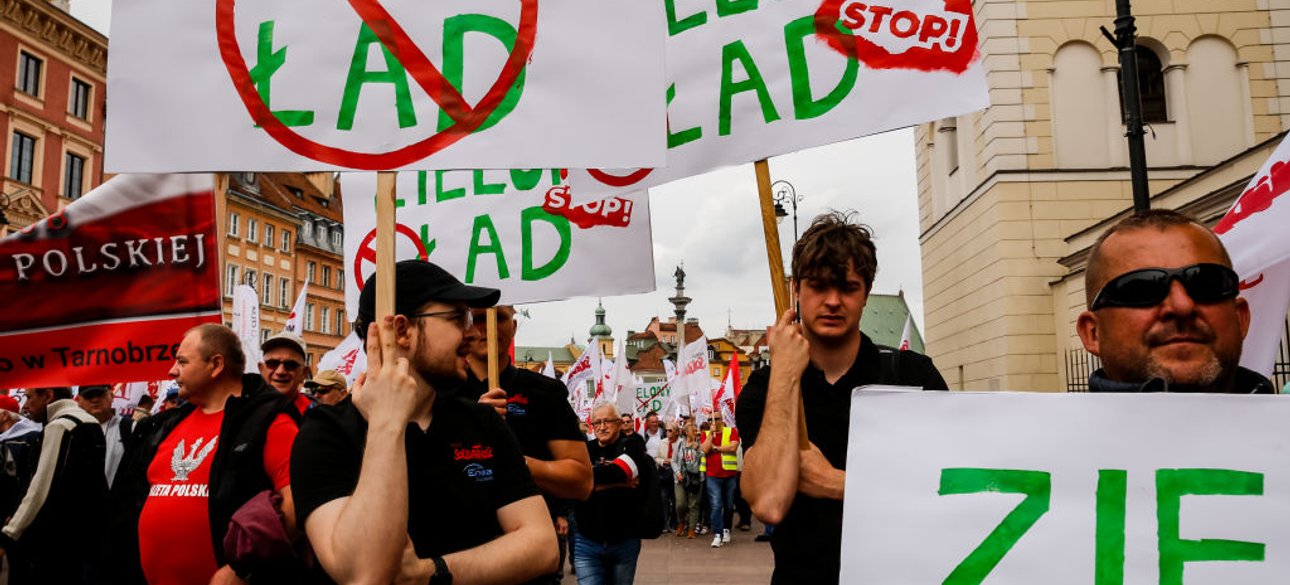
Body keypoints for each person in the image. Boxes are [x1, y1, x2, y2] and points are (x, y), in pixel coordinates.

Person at [290, 260, 557, 585]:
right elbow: (363, 573)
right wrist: (387, 422)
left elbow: (543, 547)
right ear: (402, 330)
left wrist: (432, 572)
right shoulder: (326, 431)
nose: (472, 332)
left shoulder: (482, 420)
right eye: (458, 317)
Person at [738, 211, 949, 584]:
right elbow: (768, 502)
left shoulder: (912, 377)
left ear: (866, 292)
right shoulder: (764, 387)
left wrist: (837, 483)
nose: (833, 301)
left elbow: (944, 492)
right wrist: (786, 372)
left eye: (848, 287)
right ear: (796, 290)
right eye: (819, 286)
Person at [115, 323, 302, 585]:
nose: (172, 371)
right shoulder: (165, 425)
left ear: (215, 365)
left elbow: (297, 501)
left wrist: (241, 569)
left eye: (182, 361)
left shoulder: (269, 421)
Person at [457, 304, 593, 585]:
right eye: (478, 318)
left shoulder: (544, 392)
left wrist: (514, 460)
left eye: (499, 318)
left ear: (514, 327)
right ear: (462, 328)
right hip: (458, 554)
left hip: (529, 562)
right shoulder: (437, 392)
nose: (487, 327)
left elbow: (581, 481)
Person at [1076, 209, 1273, 394]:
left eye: (1205, 283)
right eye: (1142, 288)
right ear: (1093, 333)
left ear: (1241, 319)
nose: (1182, 306)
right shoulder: (1056, 431)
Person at [0, 387, 108, 584]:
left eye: (29, 397)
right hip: (86, 536)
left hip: (58, 542)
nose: (25, 405)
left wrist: (10, 532)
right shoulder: (90, 422)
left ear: (48, 396)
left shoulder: (59, 426)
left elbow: (40, 487)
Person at [572, 403, 651, 585]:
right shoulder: (584, 449)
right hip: (587, 541)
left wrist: (587, 480)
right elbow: (572, 484)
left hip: (624, 541)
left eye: (607, 421)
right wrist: (617, 484)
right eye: (597, 422)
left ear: (618, 423)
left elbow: (619, 472)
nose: (602, 426)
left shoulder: (633, 444)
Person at [75, 385, 132, 487]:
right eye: (89, 396)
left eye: (100, 394)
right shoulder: (72, 432)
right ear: (78, 401)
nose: (95, 399)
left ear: (111, 395)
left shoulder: (130, 428)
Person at [701, 413, 739, 548]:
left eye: (715, 419)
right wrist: (711, 434)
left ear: (722, 420)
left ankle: (726, 529)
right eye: (709, 419)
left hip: (729, 475)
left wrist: (716, 448)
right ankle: (717, 534)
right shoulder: (705, 434)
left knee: (728, 506)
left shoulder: (731, 431)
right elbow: (705, 449)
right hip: (713, 475)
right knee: (716, 505)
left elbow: (733, 447)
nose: (713, 421)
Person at [260, 331, 314, 415]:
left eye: (290, 365)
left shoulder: (317, 417)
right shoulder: (241, 410)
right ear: (261, 369)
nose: (280, 371)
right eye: (272, 364)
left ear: (303, 373)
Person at [670, 422, 703, 539]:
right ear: (686, 432)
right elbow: (673, 461)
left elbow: (704, 459)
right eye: (692, 429)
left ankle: (691, 528)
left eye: (696, 429)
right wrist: (678, 473)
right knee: (680, 504)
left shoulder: (700, 443)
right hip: (681, 479)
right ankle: (681, 522)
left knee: (693, 504)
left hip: (695, 479)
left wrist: (698, 450)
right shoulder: (679, 444)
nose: (695, 431)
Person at [654, 421, 679, 534]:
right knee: (664, 499)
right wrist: (663, 462)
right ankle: (665, 523)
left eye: (670, 430)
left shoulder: (681, 443)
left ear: (676, 432)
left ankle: (675, 522)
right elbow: (657, 457)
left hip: (675, 474)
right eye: (666, 430)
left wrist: (673, 462)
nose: (667, 432)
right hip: (664, 474)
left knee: (675, 500)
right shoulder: (662, 442)